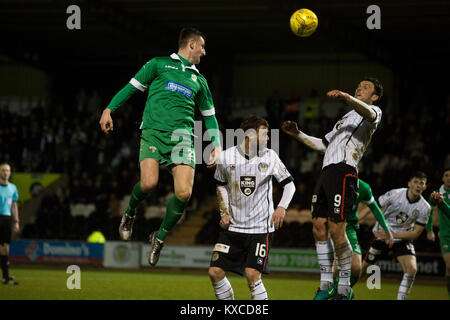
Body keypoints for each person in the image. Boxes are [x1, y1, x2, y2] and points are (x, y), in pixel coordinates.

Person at [99, 27, 222, 266]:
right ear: (192, 45)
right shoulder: (158, 64)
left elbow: (210, 117)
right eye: (203, 47)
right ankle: (130, 212)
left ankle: (160, 237)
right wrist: (108, 109)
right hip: (153, 133)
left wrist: (216, 144)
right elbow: (130, 88)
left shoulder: (200, 81)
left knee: (184, 193)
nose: (205, 52)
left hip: (183, 137)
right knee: (149, 183)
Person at [281, 77, 384, 300]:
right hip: (327, 171)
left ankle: (344, 287)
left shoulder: (374, 111)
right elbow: (323, 145)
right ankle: (326, 283)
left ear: (374, 97)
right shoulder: (345, 118)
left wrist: (347, 97)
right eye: (359, 85)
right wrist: (298, 134)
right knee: (318, 226)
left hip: (344, 171)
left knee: (337, 229)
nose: (359, 87)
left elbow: (368, 113)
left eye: (366, 87)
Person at [208, 116, 296, 300]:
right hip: (232, 227)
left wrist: (281, 207)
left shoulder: (270, 156)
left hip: (260, 228)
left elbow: (289, 185)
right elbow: (221, 185)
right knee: (215, 272)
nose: (268, 138)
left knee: (252, 275)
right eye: (264, 134)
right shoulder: (226, 156)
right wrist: (224, 212)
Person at [361, 171, 431, 300]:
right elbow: (373, 206)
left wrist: (394, 235)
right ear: (409, 184)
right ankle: (342, 292)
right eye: (416, 182)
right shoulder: (395, 194)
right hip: (381, 235)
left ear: (425, 187)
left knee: (411, 269)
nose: (418, 185)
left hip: (402, 237)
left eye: (422, 183)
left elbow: (415, 233)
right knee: (360, 270)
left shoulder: (425, 207)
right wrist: (358, 219)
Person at [426, 168, 450, 298]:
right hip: (446, 234)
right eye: (446, 175)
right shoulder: (437, 194)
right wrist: (429, 230)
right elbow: (429, 211)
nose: (449, 178)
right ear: (442, 178)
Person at [0, 162, 20, 285]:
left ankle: (5, 277)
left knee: (6, 249)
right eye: (3, 170)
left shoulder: (13, 188)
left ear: (10, 173)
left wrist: (16, 221)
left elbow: (14, 205)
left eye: (7, 170)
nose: (5, 172)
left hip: (6, 219)